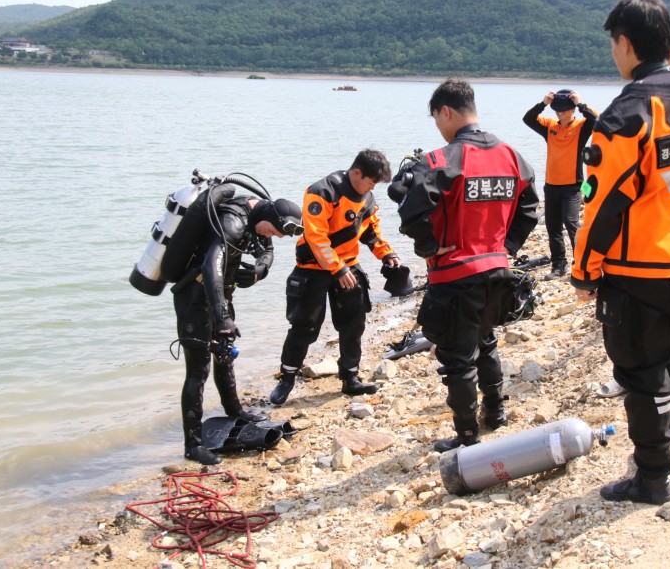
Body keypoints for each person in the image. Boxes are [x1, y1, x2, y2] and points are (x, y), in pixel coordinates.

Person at [570, 0, 670, 503]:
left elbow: (599, 205)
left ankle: (652, 478)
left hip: (640, 272)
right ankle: (661, 457)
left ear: (624, 43)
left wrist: (583, 272)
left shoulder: (627, 113)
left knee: (643, 377)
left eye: (612, 45)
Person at [397, 78, 539, 452]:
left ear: (445, 112)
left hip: (455, 273)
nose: (438, 129)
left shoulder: (441, 160)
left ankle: (467, 437)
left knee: (458, 361)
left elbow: (411, 212)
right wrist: (506, 245)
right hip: (497, 270)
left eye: (436, 120)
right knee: (486, 342)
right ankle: (495, 414)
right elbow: (529, 208)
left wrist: (430, 248)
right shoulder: (512, 155)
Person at [175, 195, 303, 465]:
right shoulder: (233, 222)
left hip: (221, 296)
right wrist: (222, 319)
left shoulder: (260, 215)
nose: (273, 237)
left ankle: (234, 410)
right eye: (272, 231)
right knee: (198, 371)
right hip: (195, 299)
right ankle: (193, 444)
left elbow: (266, 250)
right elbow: (211, 266)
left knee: (224, 354)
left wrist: (259, 269)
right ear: (268, 218)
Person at [270, 149, 401, 405]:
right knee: (304, 326)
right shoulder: (322, 192)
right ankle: (287, 378)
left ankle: (350, 378)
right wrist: (337, 268)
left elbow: (370, 231)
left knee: (353, 323)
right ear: (356, 173)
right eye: (370, 182)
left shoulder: (366, 197)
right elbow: (315, 237)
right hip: (314, 268)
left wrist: (387, 254)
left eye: (374, 185)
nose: (370, 189)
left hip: (348, 266)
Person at [521, 89, 598, 280]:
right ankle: (558, 266)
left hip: (572, 187)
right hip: (551, 185)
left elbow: (598, 121)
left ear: (572, 110)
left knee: (571, 223)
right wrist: (543, 103)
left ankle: (582, 264)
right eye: (556, 109)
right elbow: (528, 119)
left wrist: (580, 104)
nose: (559, 112)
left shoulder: (581, 126)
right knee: (552, 226)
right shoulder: (549, 126)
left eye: (563, 109)